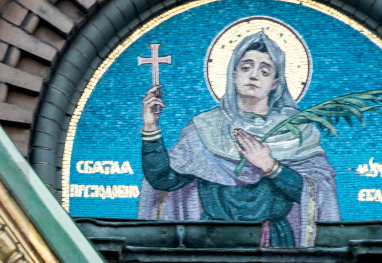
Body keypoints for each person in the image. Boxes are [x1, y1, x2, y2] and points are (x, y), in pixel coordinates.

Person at [137, 29, 340, 247]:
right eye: (246, 67)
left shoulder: (296, 131)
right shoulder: (205, 126)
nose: (253, 75)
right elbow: (164, 180)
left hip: (272, 240)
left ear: (275, 83)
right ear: (233, 75)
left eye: (264, 71)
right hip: (211, 240)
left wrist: (270, 166)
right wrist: (151, 127)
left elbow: (316, 193)